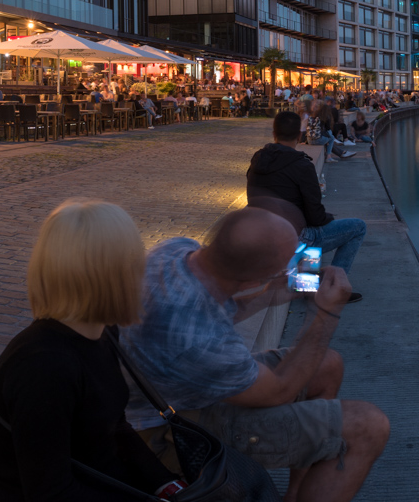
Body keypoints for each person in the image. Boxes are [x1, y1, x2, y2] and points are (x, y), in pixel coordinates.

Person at [122, 209, 389, 502]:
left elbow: (222, 302)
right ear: (252, 280)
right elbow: (279, 391)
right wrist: (326, 312)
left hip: (174, 388)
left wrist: (281, 284)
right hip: (170, 427)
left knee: (328, 364)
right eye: (289, 261)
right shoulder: (199, 341)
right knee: (368, 426)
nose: (297, 264)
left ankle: (296, 494)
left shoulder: (175, 249)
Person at [0, 199, 181, 501]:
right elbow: (50, 491)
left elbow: (113, 427)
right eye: (137, 262)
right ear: (115, 276)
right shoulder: (44, 367)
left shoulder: (102, 331)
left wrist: (166, 484)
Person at [249, 112, 367, 301]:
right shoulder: (302, 165)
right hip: (290, 240)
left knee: (308, 228)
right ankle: (331, 288)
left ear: (273, 134)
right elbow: (315, 216)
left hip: (261, 237)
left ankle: (307, 286)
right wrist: (327, 217)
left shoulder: (257, 160)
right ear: (298, 136)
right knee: (356, 227)